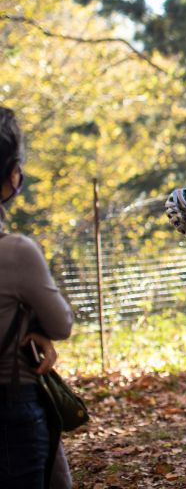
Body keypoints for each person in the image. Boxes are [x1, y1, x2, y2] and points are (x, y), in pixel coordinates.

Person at [0, 106, 74, 489]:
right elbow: (61, 324)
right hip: (12, 406)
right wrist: (35, 327)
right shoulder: (16, 252)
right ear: (12, 176)